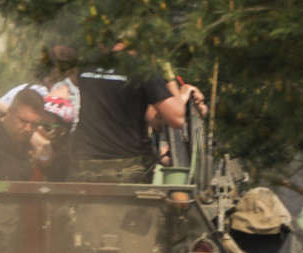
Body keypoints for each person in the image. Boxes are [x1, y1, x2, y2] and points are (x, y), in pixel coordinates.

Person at [69, 48, 205, 183]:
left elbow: (154, 121)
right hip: (123, 169)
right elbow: (177, 118)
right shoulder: (141, 67)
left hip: (81, 168)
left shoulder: (87, 61)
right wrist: (179, 88)